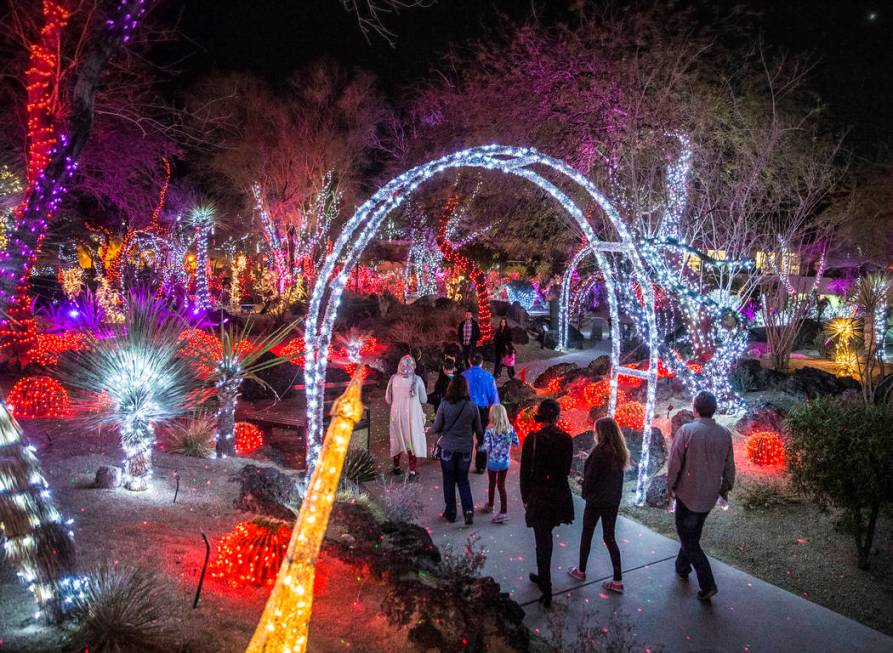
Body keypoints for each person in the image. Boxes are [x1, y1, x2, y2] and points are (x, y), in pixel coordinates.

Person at [666, 390, 736, 602]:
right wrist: (725, 487)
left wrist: (670, 487)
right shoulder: (724, 434)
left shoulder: (687, 431)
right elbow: (729, 466)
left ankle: (707, 583)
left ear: (695, 409)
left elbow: (675, 462)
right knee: (692, 535)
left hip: (688, 494)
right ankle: (681, 567)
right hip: (708, 496)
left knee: (688, 539)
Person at [520, 399, 573, 609]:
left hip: (540, 495)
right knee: (546, 537)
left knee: (542, 540)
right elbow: (566, 470)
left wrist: (526, 496)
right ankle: (543, 577)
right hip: (558, 495)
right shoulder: (566, 440)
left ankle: (546, 584)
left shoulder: (532, 440)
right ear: (557, 417)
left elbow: (525, 472)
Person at [567, 417, 628, 593]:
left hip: (596, 501)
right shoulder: (619, 452)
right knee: (609, 538)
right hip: (612, 502)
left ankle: (581, 571)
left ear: (601, 433)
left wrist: (583, 486)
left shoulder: (599, 452)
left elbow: (592, 478)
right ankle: (617, 580)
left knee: (587, 534)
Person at [431, 375, 483, 525]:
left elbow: (437, 427)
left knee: (448, 480)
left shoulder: (444, 405)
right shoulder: (472, 406)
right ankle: (468, 511)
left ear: (451, 387)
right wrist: (480, 441)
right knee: (463, 480)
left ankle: (451, 512)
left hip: (447, 448)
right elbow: (479, 429)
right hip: (465, 449)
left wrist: (428, 430)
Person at [385, 355, 428, 482]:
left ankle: (397, 466)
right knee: (411, 440)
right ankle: (412, 471)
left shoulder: (393, 379)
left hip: (396, 415)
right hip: (411, 416)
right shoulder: (417, 379)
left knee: (397, 439)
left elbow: (387, 399)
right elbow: (424, 399)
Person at [479, 403, 520, 523]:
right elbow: (516, 443)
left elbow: (486, 447)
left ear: (493, 416)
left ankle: (490, 505)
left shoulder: (489, 430)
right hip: (505, 462)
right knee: (501, 486)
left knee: (492, 483)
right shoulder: (510, 429)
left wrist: (479, 448)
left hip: (493, 462)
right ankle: (504, 512)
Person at [462, 352, 499, 473]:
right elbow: (494, 398)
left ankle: (464, 462)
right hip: (482, 410)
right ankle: (481, 465)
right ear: (482, 362)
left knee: (466, 436)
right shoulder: (488, 377)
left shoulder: (463, 376)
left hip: (466, 409)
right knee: (482, 437)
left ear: (469, 361)